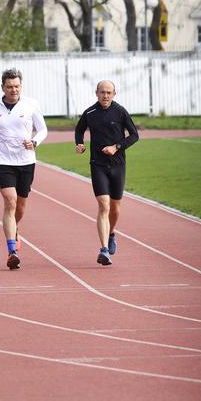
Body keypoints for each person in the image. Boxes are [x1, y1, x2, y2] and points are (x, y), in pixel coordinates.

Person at [0, 68, 48, 270]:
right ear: (3, 87)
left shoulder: (31, 104)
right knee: (10, 201)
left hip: (26, 161)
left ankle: (13, 230)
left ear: (21, 86)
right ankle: (12, 251)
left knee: (20, 207)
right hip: (2, 160)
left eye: (17, 86)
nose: (13, 90)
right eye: (9, 87)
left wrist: (34, 142)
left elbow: (43, 129)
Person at [75, 80, 139, 266]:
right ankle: (104, 250)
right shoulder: (90, 113)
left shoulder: (120, 112)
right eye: (102, 92)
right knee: (104, 205)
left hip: (118, 165)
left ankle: (111, 234)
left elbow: (134, 135)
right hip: (98, 164)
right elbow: (79, 130)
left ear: (114, 94)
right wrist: (79, 143)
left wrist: (116, 147)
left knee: (115, 207)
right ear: (96, 93)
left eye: (109, 92)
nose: (105, 95)